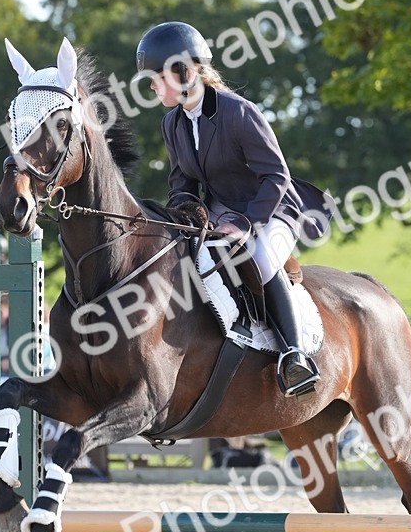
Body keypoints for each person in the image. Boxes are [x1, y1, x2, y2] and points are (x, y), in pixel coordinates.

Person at [135, 21, 330, 397]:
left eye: (156, 77)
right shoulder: (172, 122)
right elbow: (182, 184)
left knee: (258, 256)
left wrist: (248, 226)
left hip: (271, 209)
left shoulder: (238, 112)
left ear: (184, 72)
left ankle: (294, 356)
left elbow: (276, 176)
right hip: (222, 212)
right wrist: (180, 217)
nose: (151, 86)